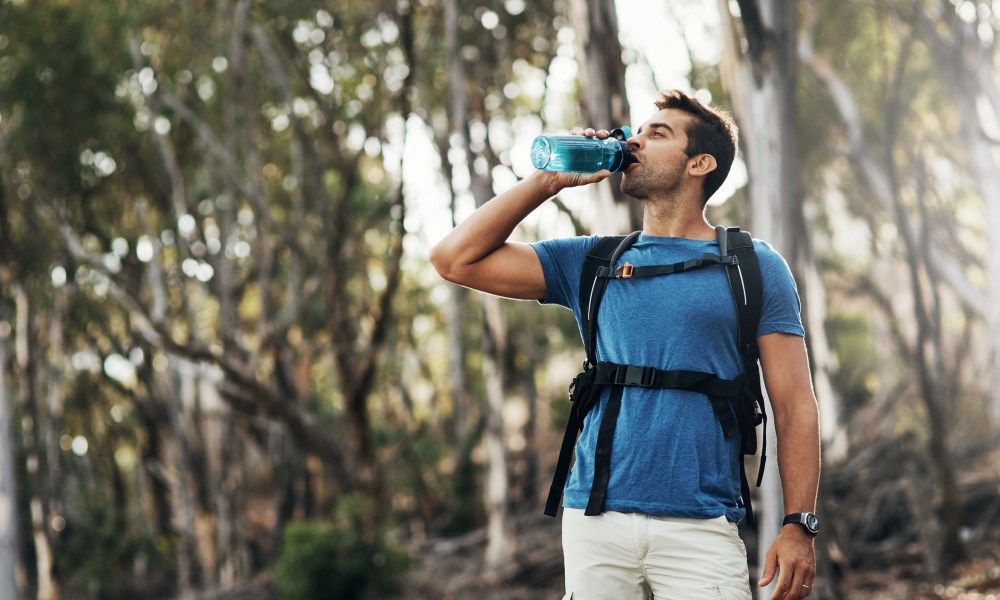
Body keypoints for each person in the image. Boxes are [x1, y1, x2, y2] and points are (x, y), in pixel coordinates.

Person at [429, 89, 820, 600]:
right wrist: (547, 181)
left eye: (657, 133)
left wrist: (799, 523)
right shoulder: (591, 262)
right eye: (637, 130)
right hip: (595, 522)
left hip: (701, 526)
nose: (633, 140)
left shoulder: (753, 265)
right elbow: (453, 259)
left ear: (699, 163)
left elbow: (794, 404)